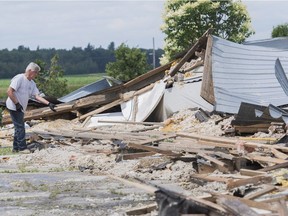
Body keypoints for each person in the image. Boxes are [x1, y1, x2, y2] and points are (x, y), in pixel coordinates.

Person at [6, 62, 57, 153]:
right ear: (30, 71)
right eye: (35, 72)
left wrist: (49, 103)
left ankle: (15, 148)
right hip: (13, 106)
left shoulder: (32, 83)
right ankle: (22, 148)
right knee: (20, 127)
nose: (36, 75)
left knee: (18, 127)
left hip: (21, 108)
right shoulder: (19, 78)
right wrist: (16, 103)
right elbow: (9, 91)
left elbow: (37, 96)